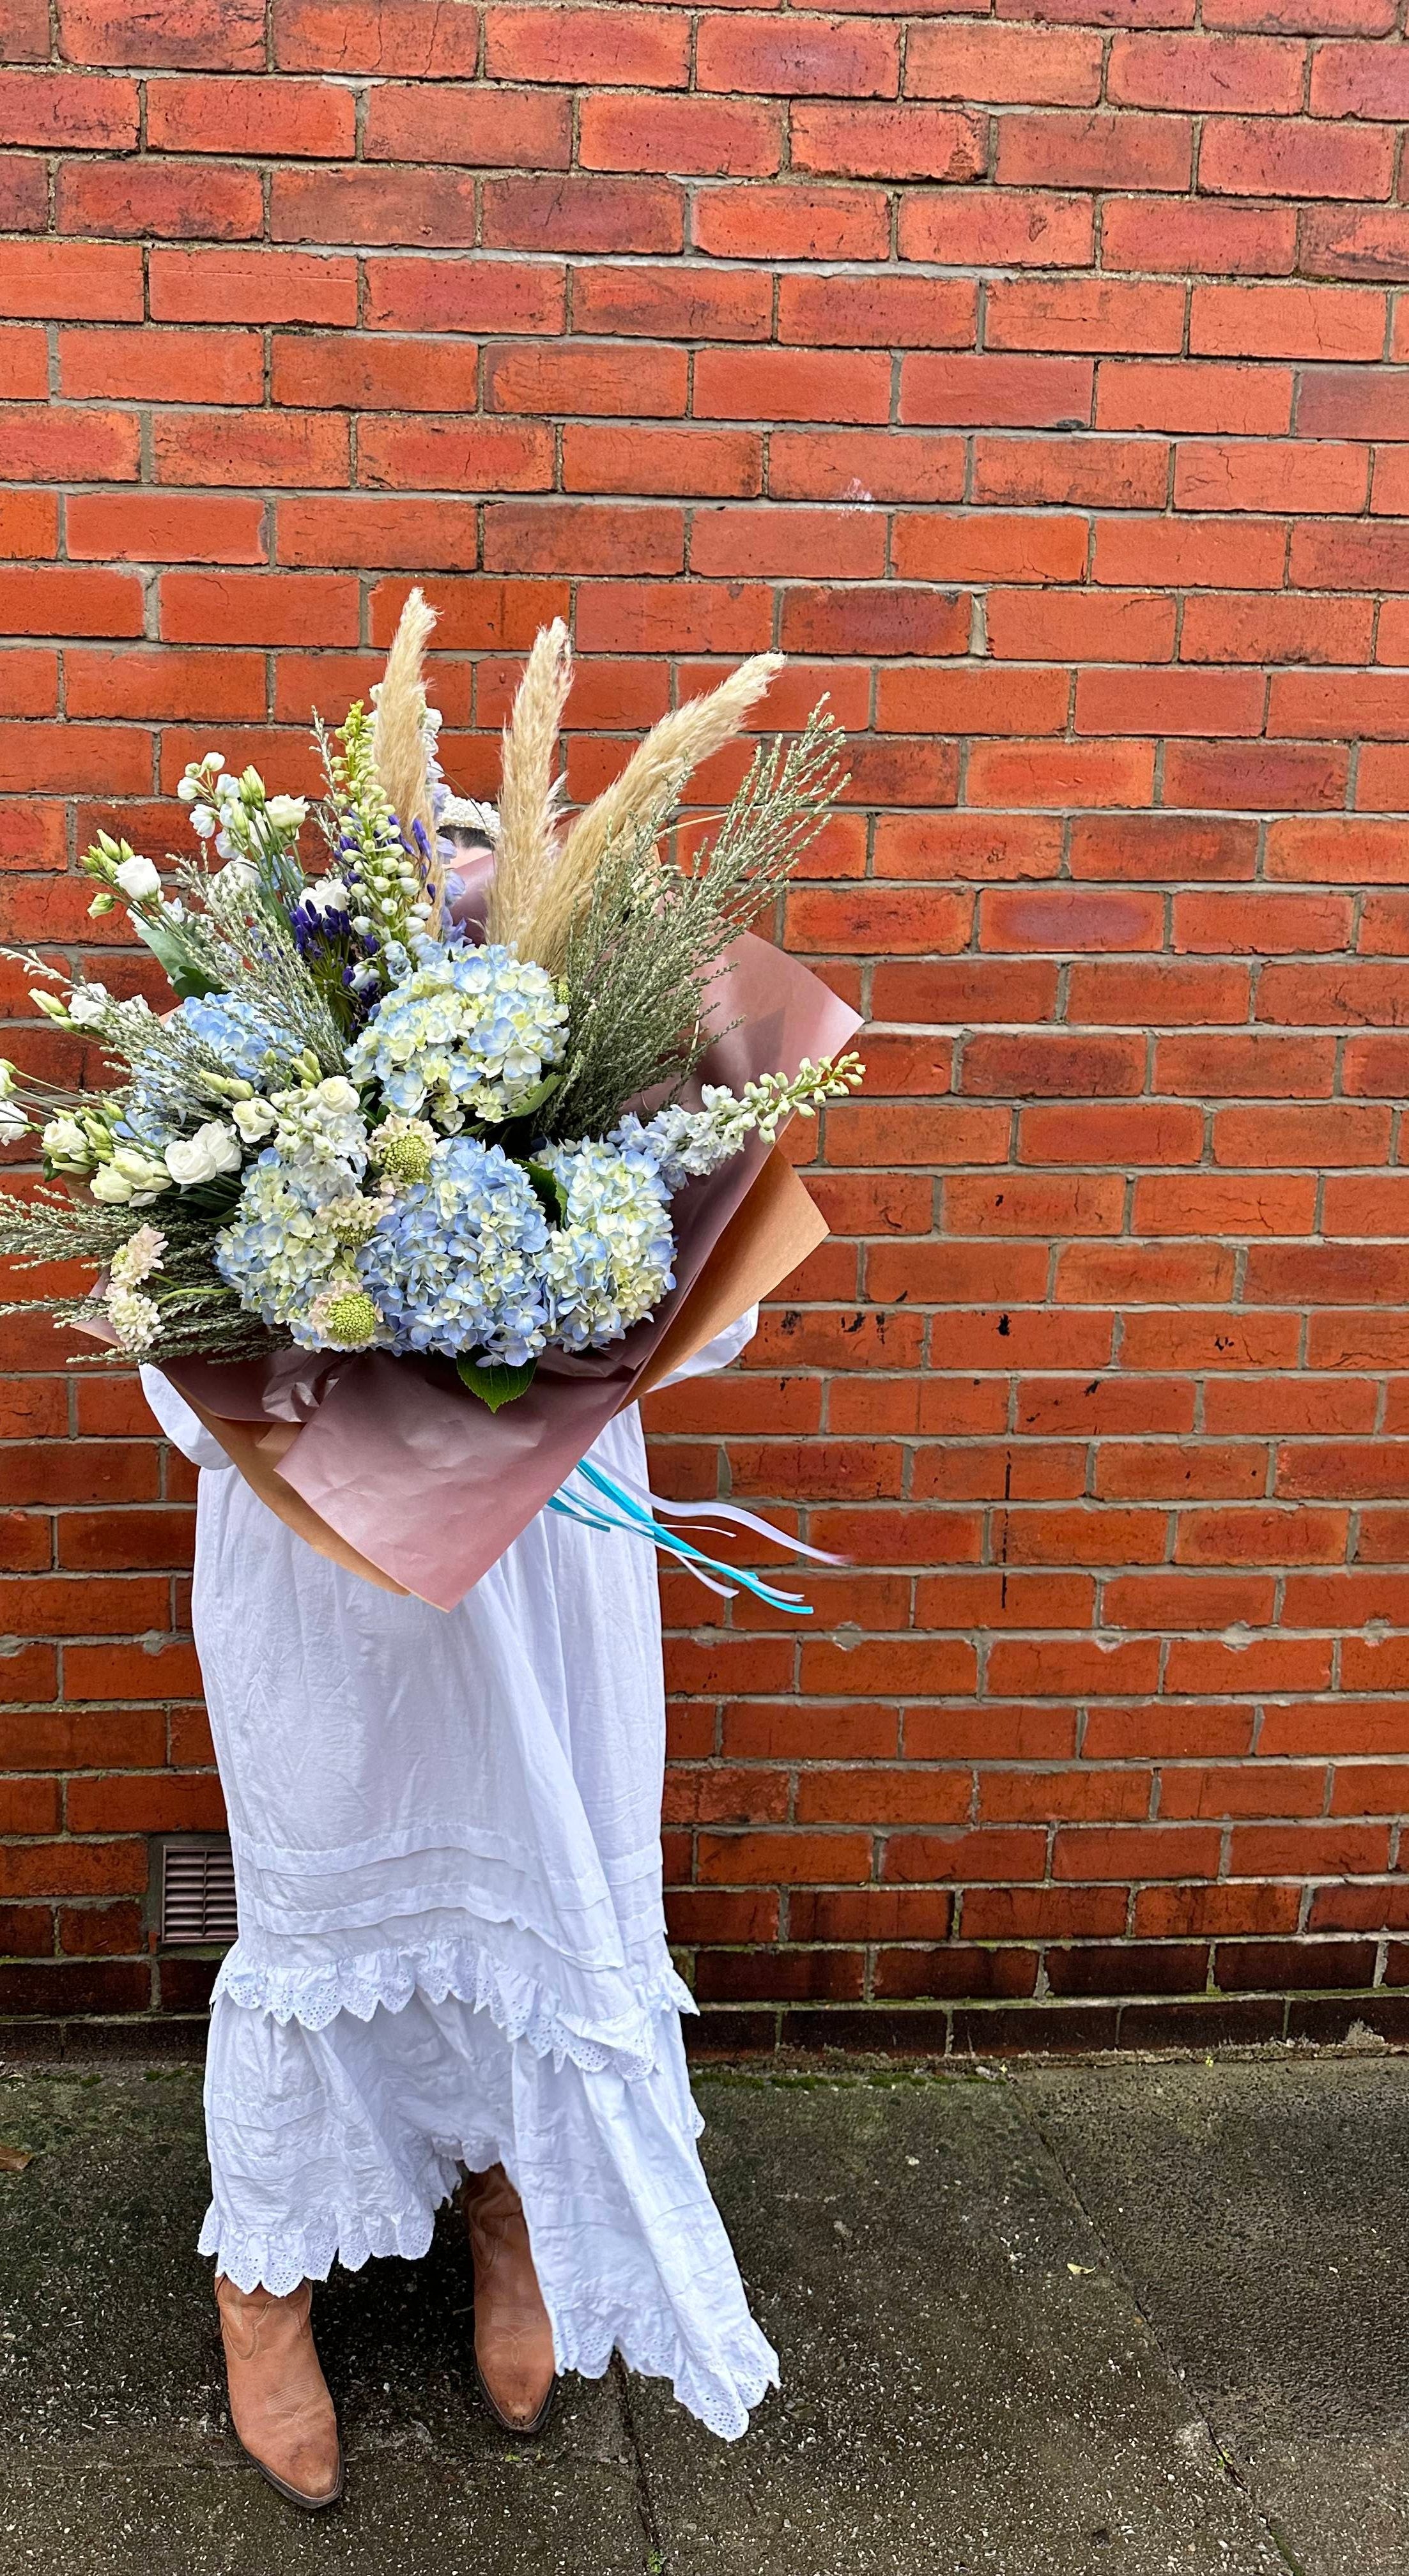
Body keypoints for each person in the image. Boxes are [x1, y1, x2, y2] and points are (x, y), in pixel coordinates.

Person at [139, 1308, 776, 2512]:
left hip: (548, 1527)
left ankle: (512, 2199)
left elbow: (715, 1298)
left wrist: (569, 1298)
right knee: (320, 1903)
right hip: (314, 1513)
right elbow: (170, 1318)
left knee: (541, 1883)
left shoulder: (673, 1096)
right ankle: (264, 2284)